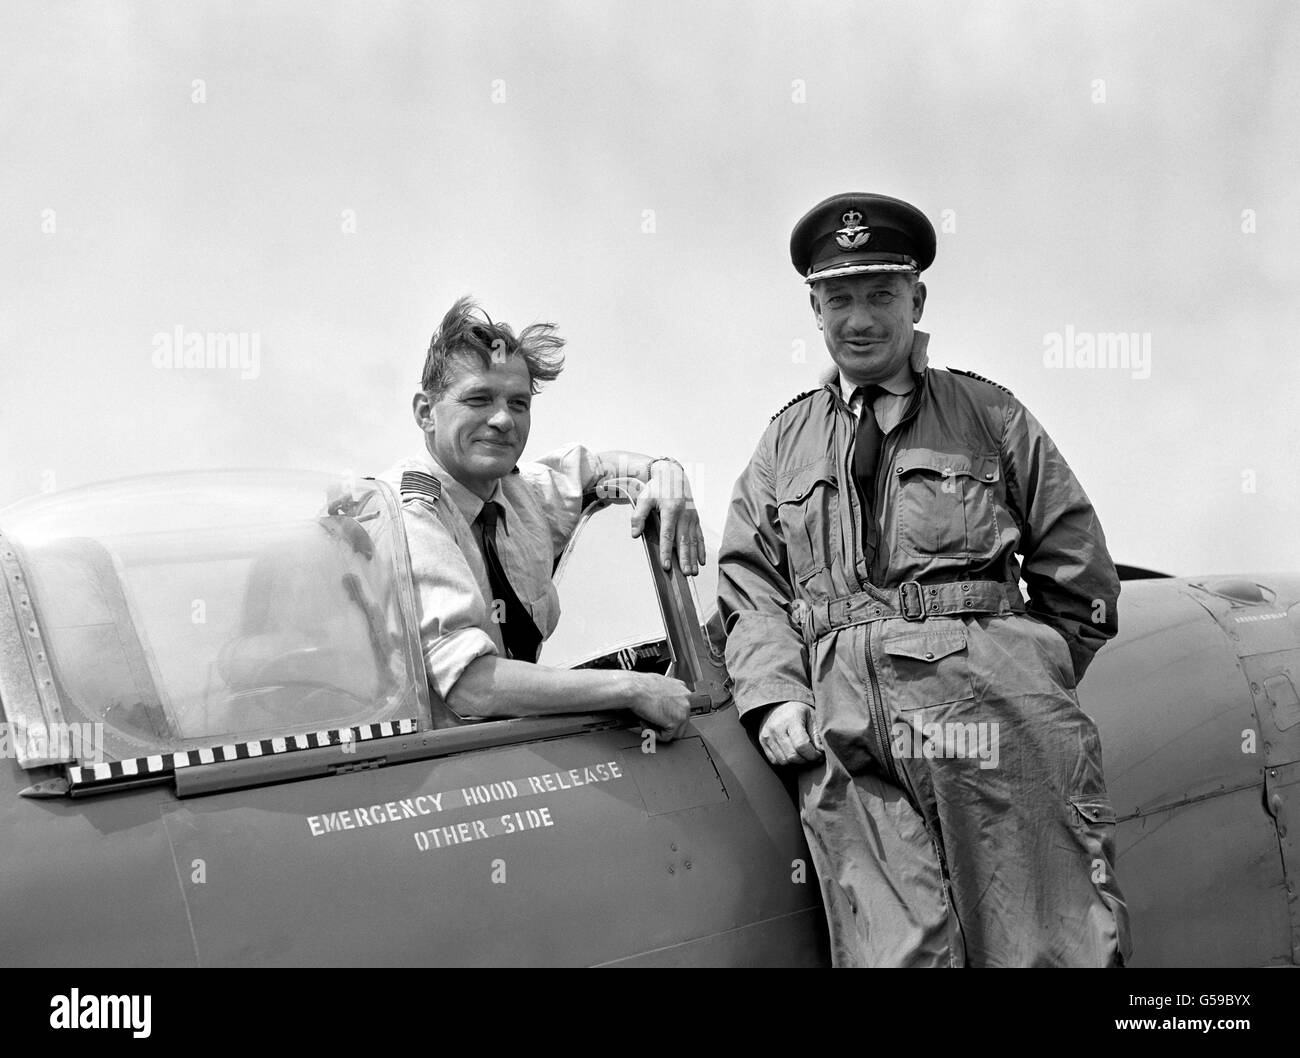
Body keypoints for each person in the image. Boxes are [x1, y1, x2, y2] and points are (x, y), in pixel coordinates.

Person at [716, 192, 1131, 967]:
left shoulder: (990, 416)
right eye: (839, 298)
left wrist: (1020, 674)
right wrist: (775, 694)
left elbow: (1081, 577)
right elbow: (751, 588)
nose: (860, 318)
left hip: (992, 722)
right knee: (895, 956)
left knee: (1046, 947)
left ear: (918, 298)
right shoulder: (783, 444)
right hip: (846, 740)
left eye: (880, 294)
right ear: (814, 308)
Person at [378, 296, 705, 740]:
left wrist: (665, 471)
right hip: (429, 768)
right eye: (479, 399)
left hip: (513, 749)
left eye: (518, 403)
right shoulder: (408, 513)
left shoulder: (518, 491)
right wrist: (630, 687)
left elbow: (601, 469)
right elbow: (471, 685)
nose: (502, 420)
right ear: (424, 412)